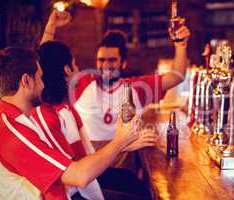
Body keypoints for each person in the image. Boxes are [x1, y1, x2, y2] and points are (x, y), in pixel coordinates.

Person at [0, 47, 141, 200]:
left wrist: (122, 142)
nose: (43, 85)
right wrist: (120, 140)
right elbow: (79, 176)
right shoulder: (12, 132)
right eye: (40, 78)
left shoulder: (19, 119)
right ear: (26, 81)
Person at [42, 10, 190, 150]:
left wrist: (180, 45)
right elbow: (47, 67)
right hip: (89, 165)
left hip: (123, 168)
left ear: (123, 63)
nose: (106, 65)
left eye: (112, 60)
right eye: (101, 60)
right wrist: (51, 28)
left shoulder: (136, 87)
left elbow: (176, 76)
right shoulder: (82, 83)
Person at [35, 41, 157, 199]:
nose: (78, 69)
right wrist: (121, 142)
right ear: (67, 70)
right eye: (75, 65)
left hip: (85, 177)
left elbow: (86, 159)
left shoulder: (64, 106)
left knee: (138, 185)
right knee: (142, 195)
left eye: (112, 60)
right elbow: (81, 174)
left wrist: (126, 144)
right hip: (74, 191)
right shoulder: (58, 114)